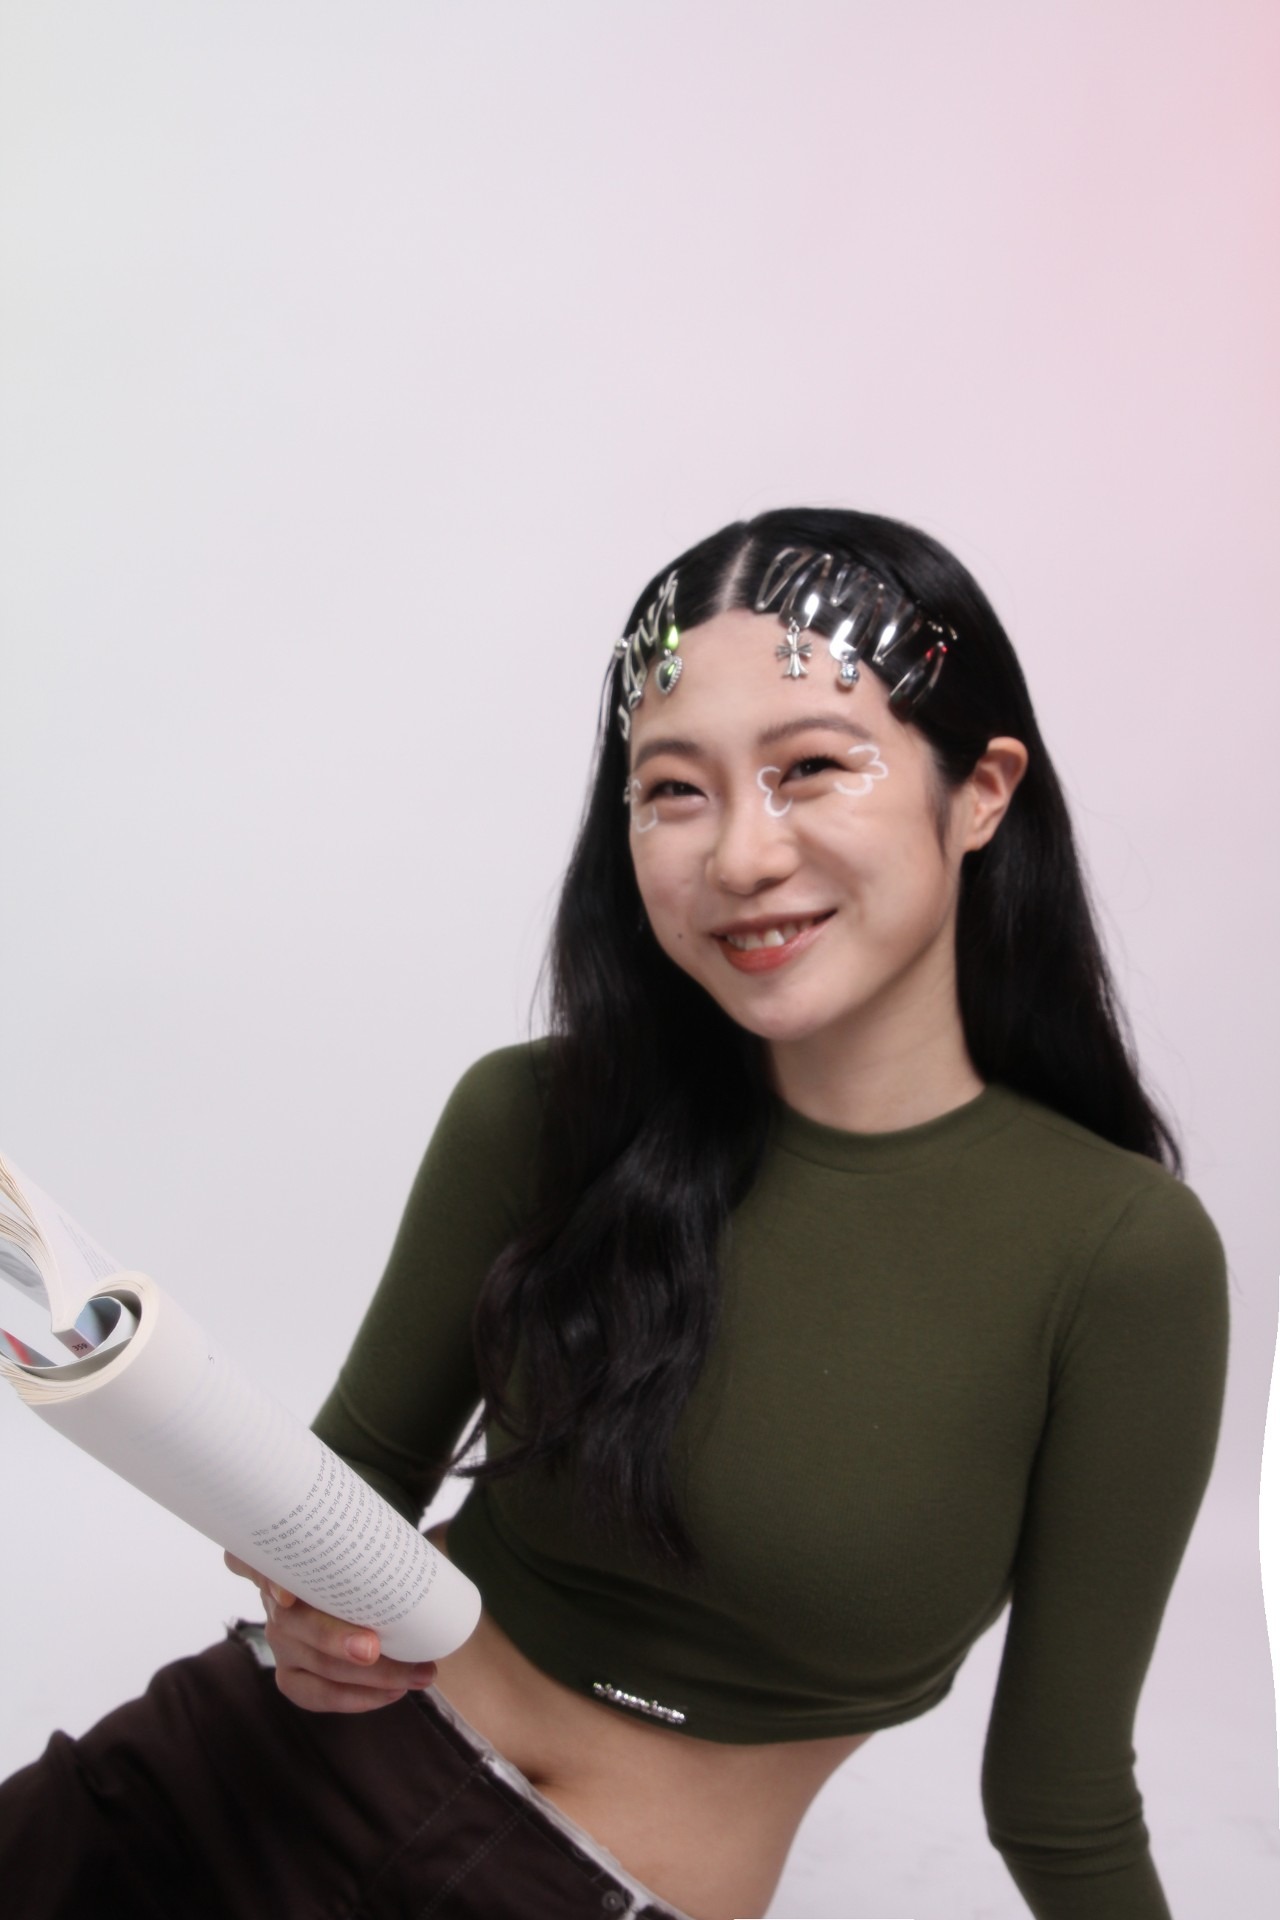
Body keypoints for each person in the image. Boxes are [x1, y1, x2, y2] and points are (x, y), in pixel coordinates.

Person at [0, 508, 1229, 1920]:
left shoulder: (1118, 1258)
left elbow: (1062, 1801)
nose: (742, 857)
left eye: (810, 768)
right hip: (231, 1773)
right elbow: (352, 1484)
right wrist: (303, 1603)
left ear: (982, 794)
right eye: (674, 790)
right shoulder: (536, 1116)